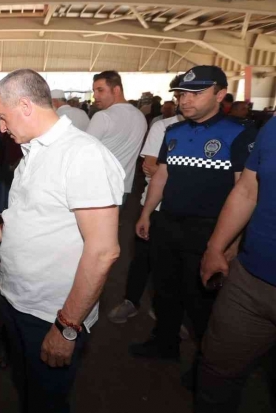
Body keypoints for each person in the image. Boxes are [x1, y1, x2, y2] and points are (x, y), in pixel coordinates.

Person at [0, 69, 124, 413]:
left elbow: (103, 251)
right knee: (29, 388)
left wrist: (67, 327)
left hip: (51, 313)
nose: (1, 127)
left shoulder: (83, 156)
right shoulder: (32, 153)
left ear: (25, 106)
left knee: (47, 401)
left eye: (2, 116)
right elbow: (25, 220)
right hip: (16, 301)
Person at [131, 66, 257, 376]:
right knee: (165, 291)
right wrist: (147, 213)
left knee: (204, 303)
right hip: (169, 225)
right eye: (181, 94)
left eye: (195, 93)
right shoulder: (173, 132)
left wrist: (230, 244)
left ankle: (206, 365)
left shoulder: (240, 133)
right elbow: (161, 175)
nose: (185, 101)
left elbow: (246, 190)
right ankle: (165, 344)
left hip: (210, 231)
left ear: (220, 94)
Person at [196, 118, 276, 412]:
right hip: (250, 281)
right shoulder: (273, 128)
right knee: (217, 371)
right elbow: (247, 190)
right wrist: (216, 247)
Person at [108, 78, 185, 324]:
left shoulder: (221, 131)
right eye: (181, 95)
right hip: (154, 206)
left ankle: (167, 314)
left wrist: (168, 169)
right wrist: (192, 176)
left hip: (187, 214)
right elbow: (150, 166)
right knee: (142, 259)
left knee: (176, 267)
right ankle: (131, 301)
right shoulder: (164, 127)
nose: (184, 101)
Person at [86, 70, 147, 203]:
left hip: (98, 187)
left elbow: (83, 151)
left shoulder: (103, 116)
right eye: (94, 91)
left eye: (100, 90)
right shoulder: (140, 116)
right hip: (123, 188)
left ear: (116, 89)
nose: (95, 95)